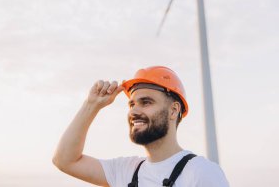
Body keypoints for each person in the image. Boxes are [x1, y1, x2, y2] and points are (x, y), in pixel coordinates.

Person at [53, 66, 229, 187]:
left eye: (146, 102)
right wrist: (91, 105)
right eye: (131, 105)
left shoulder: (201, 173)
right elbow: (65, 160)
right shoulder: (125, 170)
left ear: (174, 110)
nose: (134, 111)